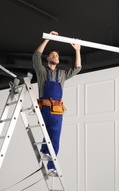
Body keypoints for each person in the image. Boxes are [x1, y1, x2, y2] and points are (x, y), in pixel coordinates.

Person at [32, 31, 81, 175]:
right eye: (52, 55)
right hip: (44, 108)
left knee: (55, 136)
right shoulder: (41, 72)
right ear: (48, 58)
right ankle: (44, 151)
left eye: (57, 56)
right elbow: (36, 56)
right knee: (47, 134)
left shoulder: (62, 74)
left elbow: (77, 68)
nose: (54, 57)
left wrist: (77, 50)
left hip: (57, 110)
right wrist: (47, 39)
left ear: (58, 61)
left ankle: (52, 166)